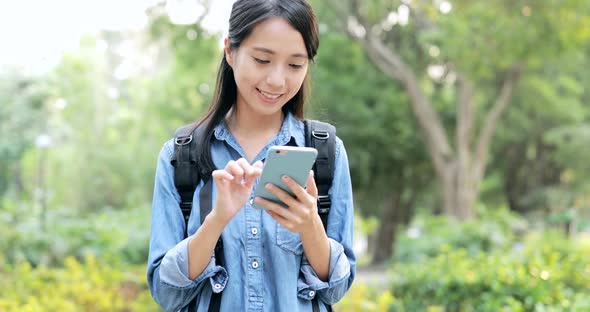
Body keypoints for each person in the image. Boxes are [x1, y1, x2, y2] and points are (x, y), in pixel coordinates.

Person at [147, 0, 355, 311]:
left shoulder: (327, 153)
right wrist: (216, 221)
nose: (276, 80)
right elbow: (166, 293)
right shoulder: (181, 156)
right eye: (262, 60)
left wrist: (310, 224)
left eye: (295, 65)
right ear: (230, 51)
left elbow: (337, 288)